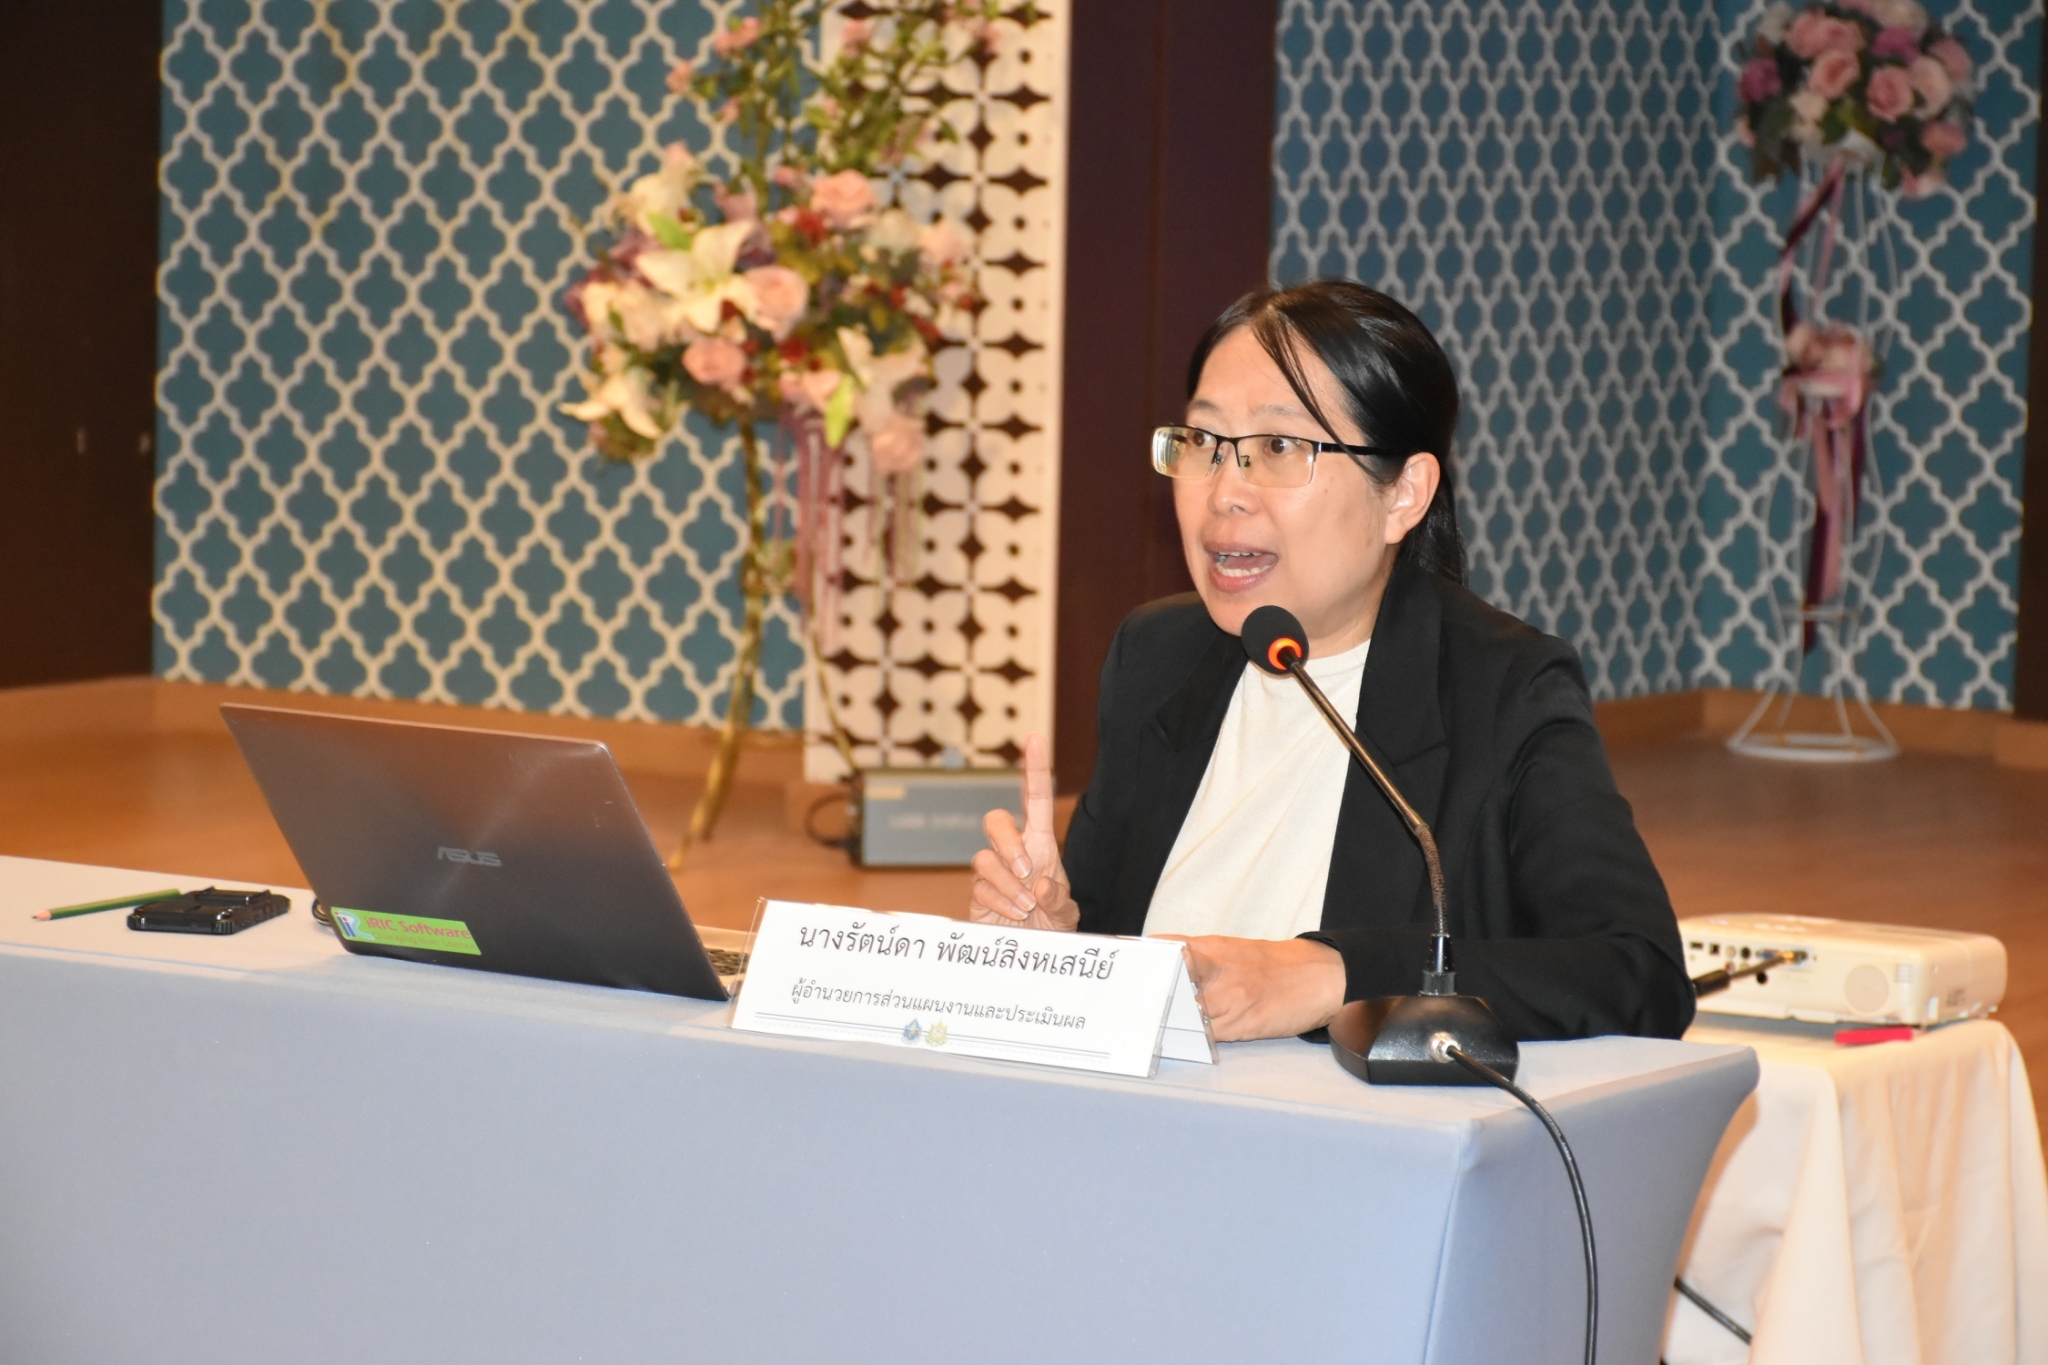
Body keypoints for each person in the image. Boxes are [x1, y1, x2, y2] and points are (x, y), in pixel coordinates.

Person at [968, 279, 1695, 1044]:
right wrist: (1057, 943)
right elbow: (1120, 959)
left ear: (1403, 493)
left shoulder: (1501, 690)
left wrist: (1336, 974)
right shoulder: (1157, 656)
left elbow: (1638, 972)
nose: (1225, 492)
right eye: (1204, 443)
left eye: (1280, 448)